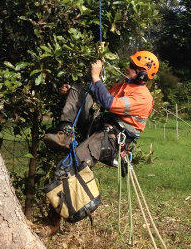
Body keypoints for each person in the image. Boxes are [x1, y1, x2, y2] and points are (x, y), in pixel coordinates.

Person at [39, 51, 158, 236]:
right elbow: (96, 94)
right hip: (101, 127)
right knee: (79, 88)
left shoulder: (143, 97)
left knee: (66, 168)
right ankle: (65, 133)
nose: (127, 67)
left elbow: (109, 103)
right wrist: (71, 91)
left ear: (142, 74)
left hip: (111, 140)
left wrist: (96, 76)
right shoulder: (124, 86)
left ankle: (54, 221)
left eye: (132, 67)